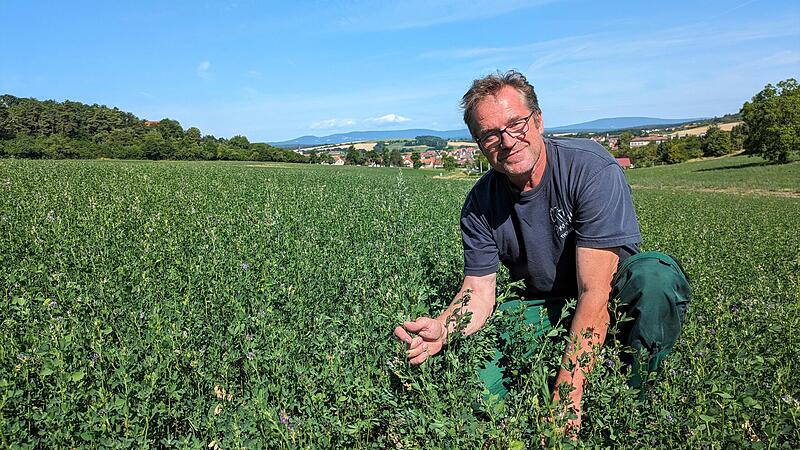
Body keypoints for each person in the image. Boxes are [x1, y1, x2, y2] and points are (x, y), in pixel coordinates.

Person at [394, 70, 690, 435]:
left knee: (655, 277)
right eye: (490, 134)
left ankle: (633, 405)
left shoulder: (590, 168)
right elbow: (480, 292)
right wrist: (444, 326)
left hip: (611, 296)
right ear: (478, 143)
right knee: (475, 388)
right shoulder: (479, 205)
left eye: (516, 124)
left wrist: (567, 398)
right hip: (544, 306)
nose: (507, 141)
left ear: (538, 120)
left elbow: (594, 293)